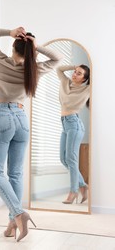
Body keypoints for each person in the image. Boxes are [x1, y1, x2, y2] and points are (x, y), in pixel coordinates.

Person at [0, 27, 63, 241]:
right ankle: (12, 224)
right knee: (15, 174)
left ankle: (18, 214)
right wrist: (35, 46)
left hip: (0, 117)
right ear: (31, 52)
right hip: (21, 119)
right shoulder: (34, 69)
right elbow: (57, 58)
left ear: (13, 47)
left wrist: (10, 31)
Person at [56, 64, 90, 204]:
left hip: (74, 124)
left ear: (84, 79)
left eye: (79, 73)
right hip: (64, 123)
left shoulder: (87, 89)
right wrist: (74, 66)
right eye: (75, 72)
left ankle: (73, 191)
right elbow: (58, 69)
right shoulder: (65, 82)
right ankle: (83, 185)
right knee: (64, 159)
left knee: (71, 159)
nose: (75, 74)